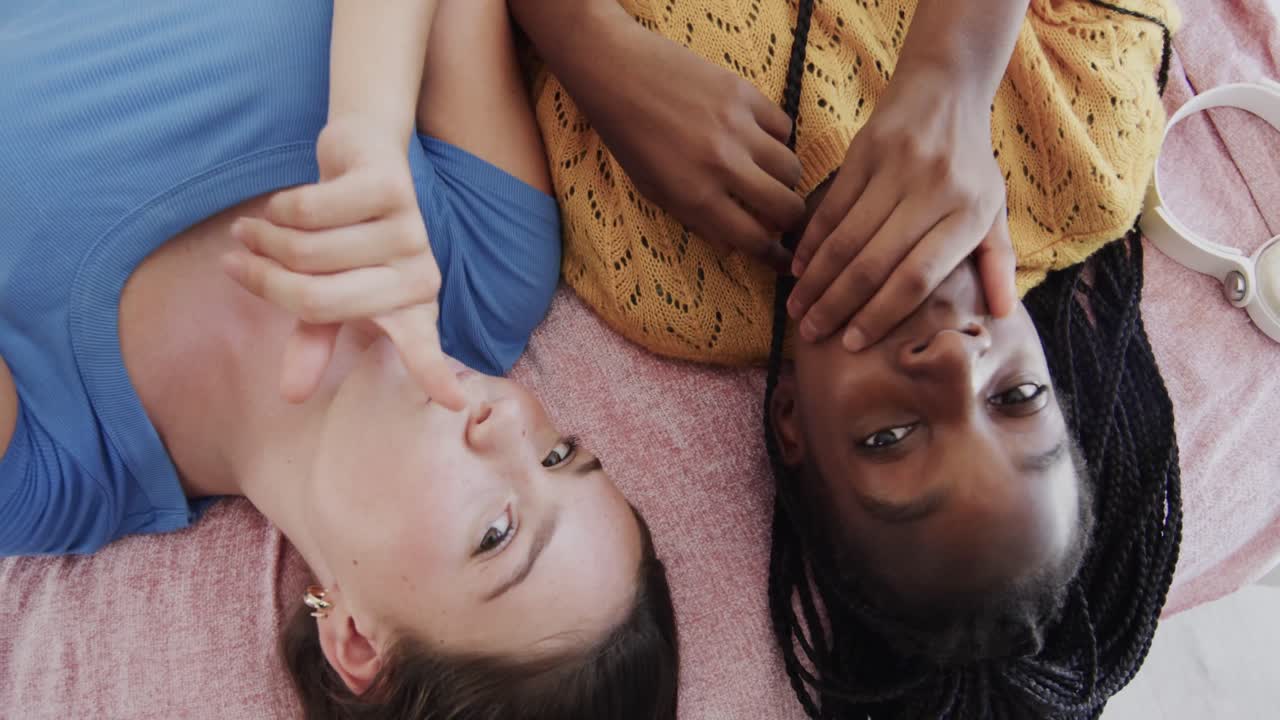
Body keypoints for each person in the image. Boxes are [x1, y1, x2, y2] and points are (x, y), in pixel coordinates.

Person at [0, 1, 678, 718]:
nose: (505, 421)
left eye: (497, 532)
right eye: (559, 455)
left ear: (358, 642)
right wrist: (368, 128)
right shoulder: (490, 271)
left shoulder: (54, 469)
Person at [513, 0, 1180, 716]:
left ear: (792, 421)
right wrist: (951, 77)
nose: (957, 363)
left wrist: (594, 47)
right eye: (1017, 398)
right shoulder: (1083, 158)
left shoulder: (664, 278)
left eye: (890, 437)